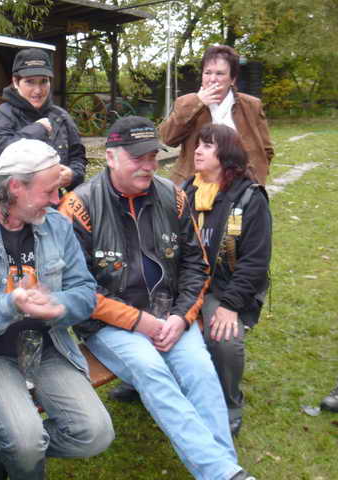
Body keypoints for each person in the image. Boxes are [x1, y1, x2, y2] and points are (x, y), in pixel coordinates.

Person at [59, 116, 255, 480]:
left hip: (170, 315)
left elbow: (197, 265)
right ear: (111, 157)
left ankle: (225, 470)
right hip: (109, 325)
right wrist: (139, 322)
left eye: (152, 156)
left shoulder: (173, 195)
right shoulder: (78, 206)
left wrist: (181, 317)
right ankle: (223, 474)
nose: (148, 165)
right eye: (138, 157)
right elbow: (77, 290)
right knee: (151, 371)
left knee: (200, 370)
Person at [0, 138, 114, 479]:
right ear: (15, 187)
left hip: (47, 348)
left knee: (94, 433)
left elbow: (85, 293)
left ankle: (4, 449)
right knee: (26, 441)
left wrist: (57, 306)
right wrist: (10, 305)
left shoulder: (57, 226)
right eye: (49, 191)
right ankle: (17, 447)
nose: (57, 199)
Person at [182, 123, 271, 437]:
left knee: (224, 338)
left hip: (224, 288)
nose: (197, 151)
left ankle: (229, 402)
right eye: (198, 145)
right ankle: (138, 381)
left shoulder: (249, 198)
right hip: (186, 283)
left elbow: (255, 262)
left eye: (207, 146)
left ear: (227, 155)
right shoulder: (187, 191)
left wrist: (231, 305)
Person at [160, 45, 274, 185]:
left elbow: (266, 150)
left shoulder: (251, 105)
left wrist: (254, 178)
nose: (212, 79)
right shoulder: (186, 103)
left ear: (232, 79)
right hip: (194, 185)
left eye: (220, 73)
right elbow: (168, 139)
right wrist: (198, 103)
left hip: (238, 185)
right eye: (207, 73)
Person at [0, 48, 87, 192]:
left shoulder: (61, 116)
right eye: (30, 82)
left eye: (44, 81)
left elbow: (78, 156)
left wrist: (72, 175)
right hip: (12, 200)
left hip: (53, 200)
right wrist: (38, 130)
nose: (38, 90)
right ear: (15, 82)